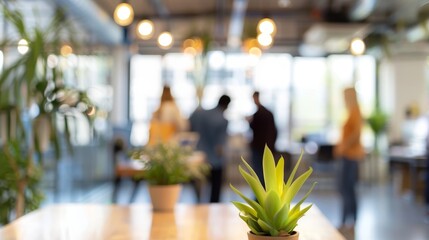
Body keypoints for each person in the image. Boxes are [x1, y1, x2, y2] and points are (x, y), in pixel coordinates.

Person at [334, 87, 365, 230]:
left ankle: (349, 220)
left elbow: (356, 133)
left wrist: (343, 146)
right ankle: (347, 219)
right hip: (347, 155)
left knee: (348, 188)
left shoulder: (356, 111)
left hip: (351, 156)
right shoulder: (351, 112)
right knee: (345, 188)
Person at [189, 94, 231, 202]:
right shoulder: (222, 120)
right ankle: (213, 206)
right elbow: (220, 146)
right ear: (227, 105)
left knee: (199, 188)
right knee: (215, 189)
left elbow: (190, 125)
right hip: (215, 160)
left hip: (199, 156)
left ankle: (198, 204)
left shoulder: (200, 113)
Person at [247, 91, 277, 186]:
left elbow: (254, 128)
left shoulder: (258, 114)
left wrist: (249, 122)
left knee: (259, 171)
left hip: (258, 146)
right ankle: (264, 193)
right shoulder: (268, 113)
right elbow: (275, 131)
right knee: (266, 171)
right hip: (268, 146)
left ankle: (260, 194)